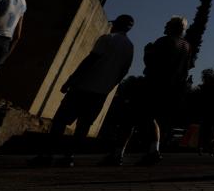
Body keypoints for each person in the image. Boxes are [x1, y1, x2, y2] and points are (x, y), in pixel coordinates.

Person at [29, 15, 136, 167]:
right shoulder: (129, 46)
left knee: (60, 120)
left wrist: (71, 80)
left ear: (116, 24)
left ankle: (47, 154)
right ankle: (69, 157)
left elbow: (90, 60)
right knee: (84, 125)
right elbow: (123, 71)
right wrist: (109, 86)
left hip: (84, 87)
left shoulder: (107, 38)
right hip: (101, 92)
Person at [106, 15, 193, 166]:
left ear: (173, 27)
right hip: (170, 89)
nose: (165, 26)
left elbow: (151, 62)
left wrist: (147, 51)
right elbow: (186, 68)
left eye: (168, 24)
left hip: (153, 85)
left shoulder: (164, 41)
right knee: (150, 118)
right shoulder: (186, 46)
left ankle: (117, 154)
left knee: (129, 118)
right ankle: (153, 151)